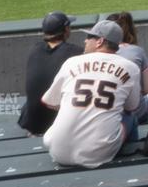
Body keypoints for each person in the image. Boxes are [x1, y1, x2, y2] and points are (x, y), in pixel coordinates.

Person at [40, 19, 142, 168]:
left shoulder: (71, 62)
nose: (85, 40)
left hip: (58, 152)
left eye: (89, 37)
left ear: (100, 41)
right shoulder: (130, 67)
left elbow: (49, 102)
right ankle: (133, 162)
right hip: (98, 154)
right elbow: (132, 107)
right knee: (130, 117)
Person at [18, 10, 83, 135]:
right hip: (57, 124)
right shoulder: (76, 53)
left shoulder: (35, 49)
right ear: (66, 30)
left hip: (32, 124)